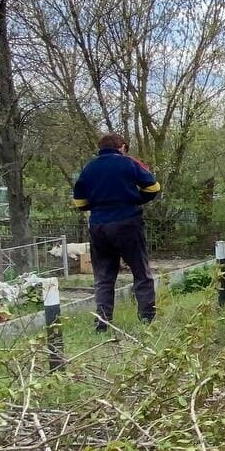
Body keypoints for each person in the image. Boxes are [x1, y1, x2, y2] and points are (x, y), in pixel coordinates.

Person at [73, 134, 162, 330]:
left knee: (103, 277)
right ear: (122, 147)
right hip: (127, 223)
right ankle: (147, 319)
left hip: (99, 226)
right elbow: (153, 187)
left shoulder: (89, 168)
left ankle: (103, 323)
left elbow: (79, 202)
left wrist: (98, 206)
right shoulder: (128, 163)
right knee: (141, 272)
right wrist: (134, 199)